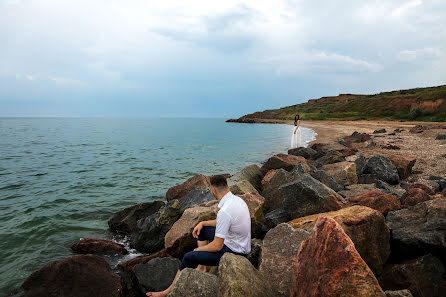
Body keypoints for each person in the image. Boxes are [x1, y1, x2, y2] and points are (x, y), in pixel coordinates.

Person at [146, 174, 251, 297]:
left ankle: (166, 291)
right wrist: (203, 223)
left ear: (214, 190)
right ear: (226, 186)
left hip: (235, 251)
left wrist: (199, 250)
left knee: (189, 257)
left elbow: (217, 246)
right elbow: (226, 222)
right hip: (239, 242)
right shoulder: (236, 200)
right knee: (202, 230)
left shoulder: (225, 211)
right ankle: (202, 267)